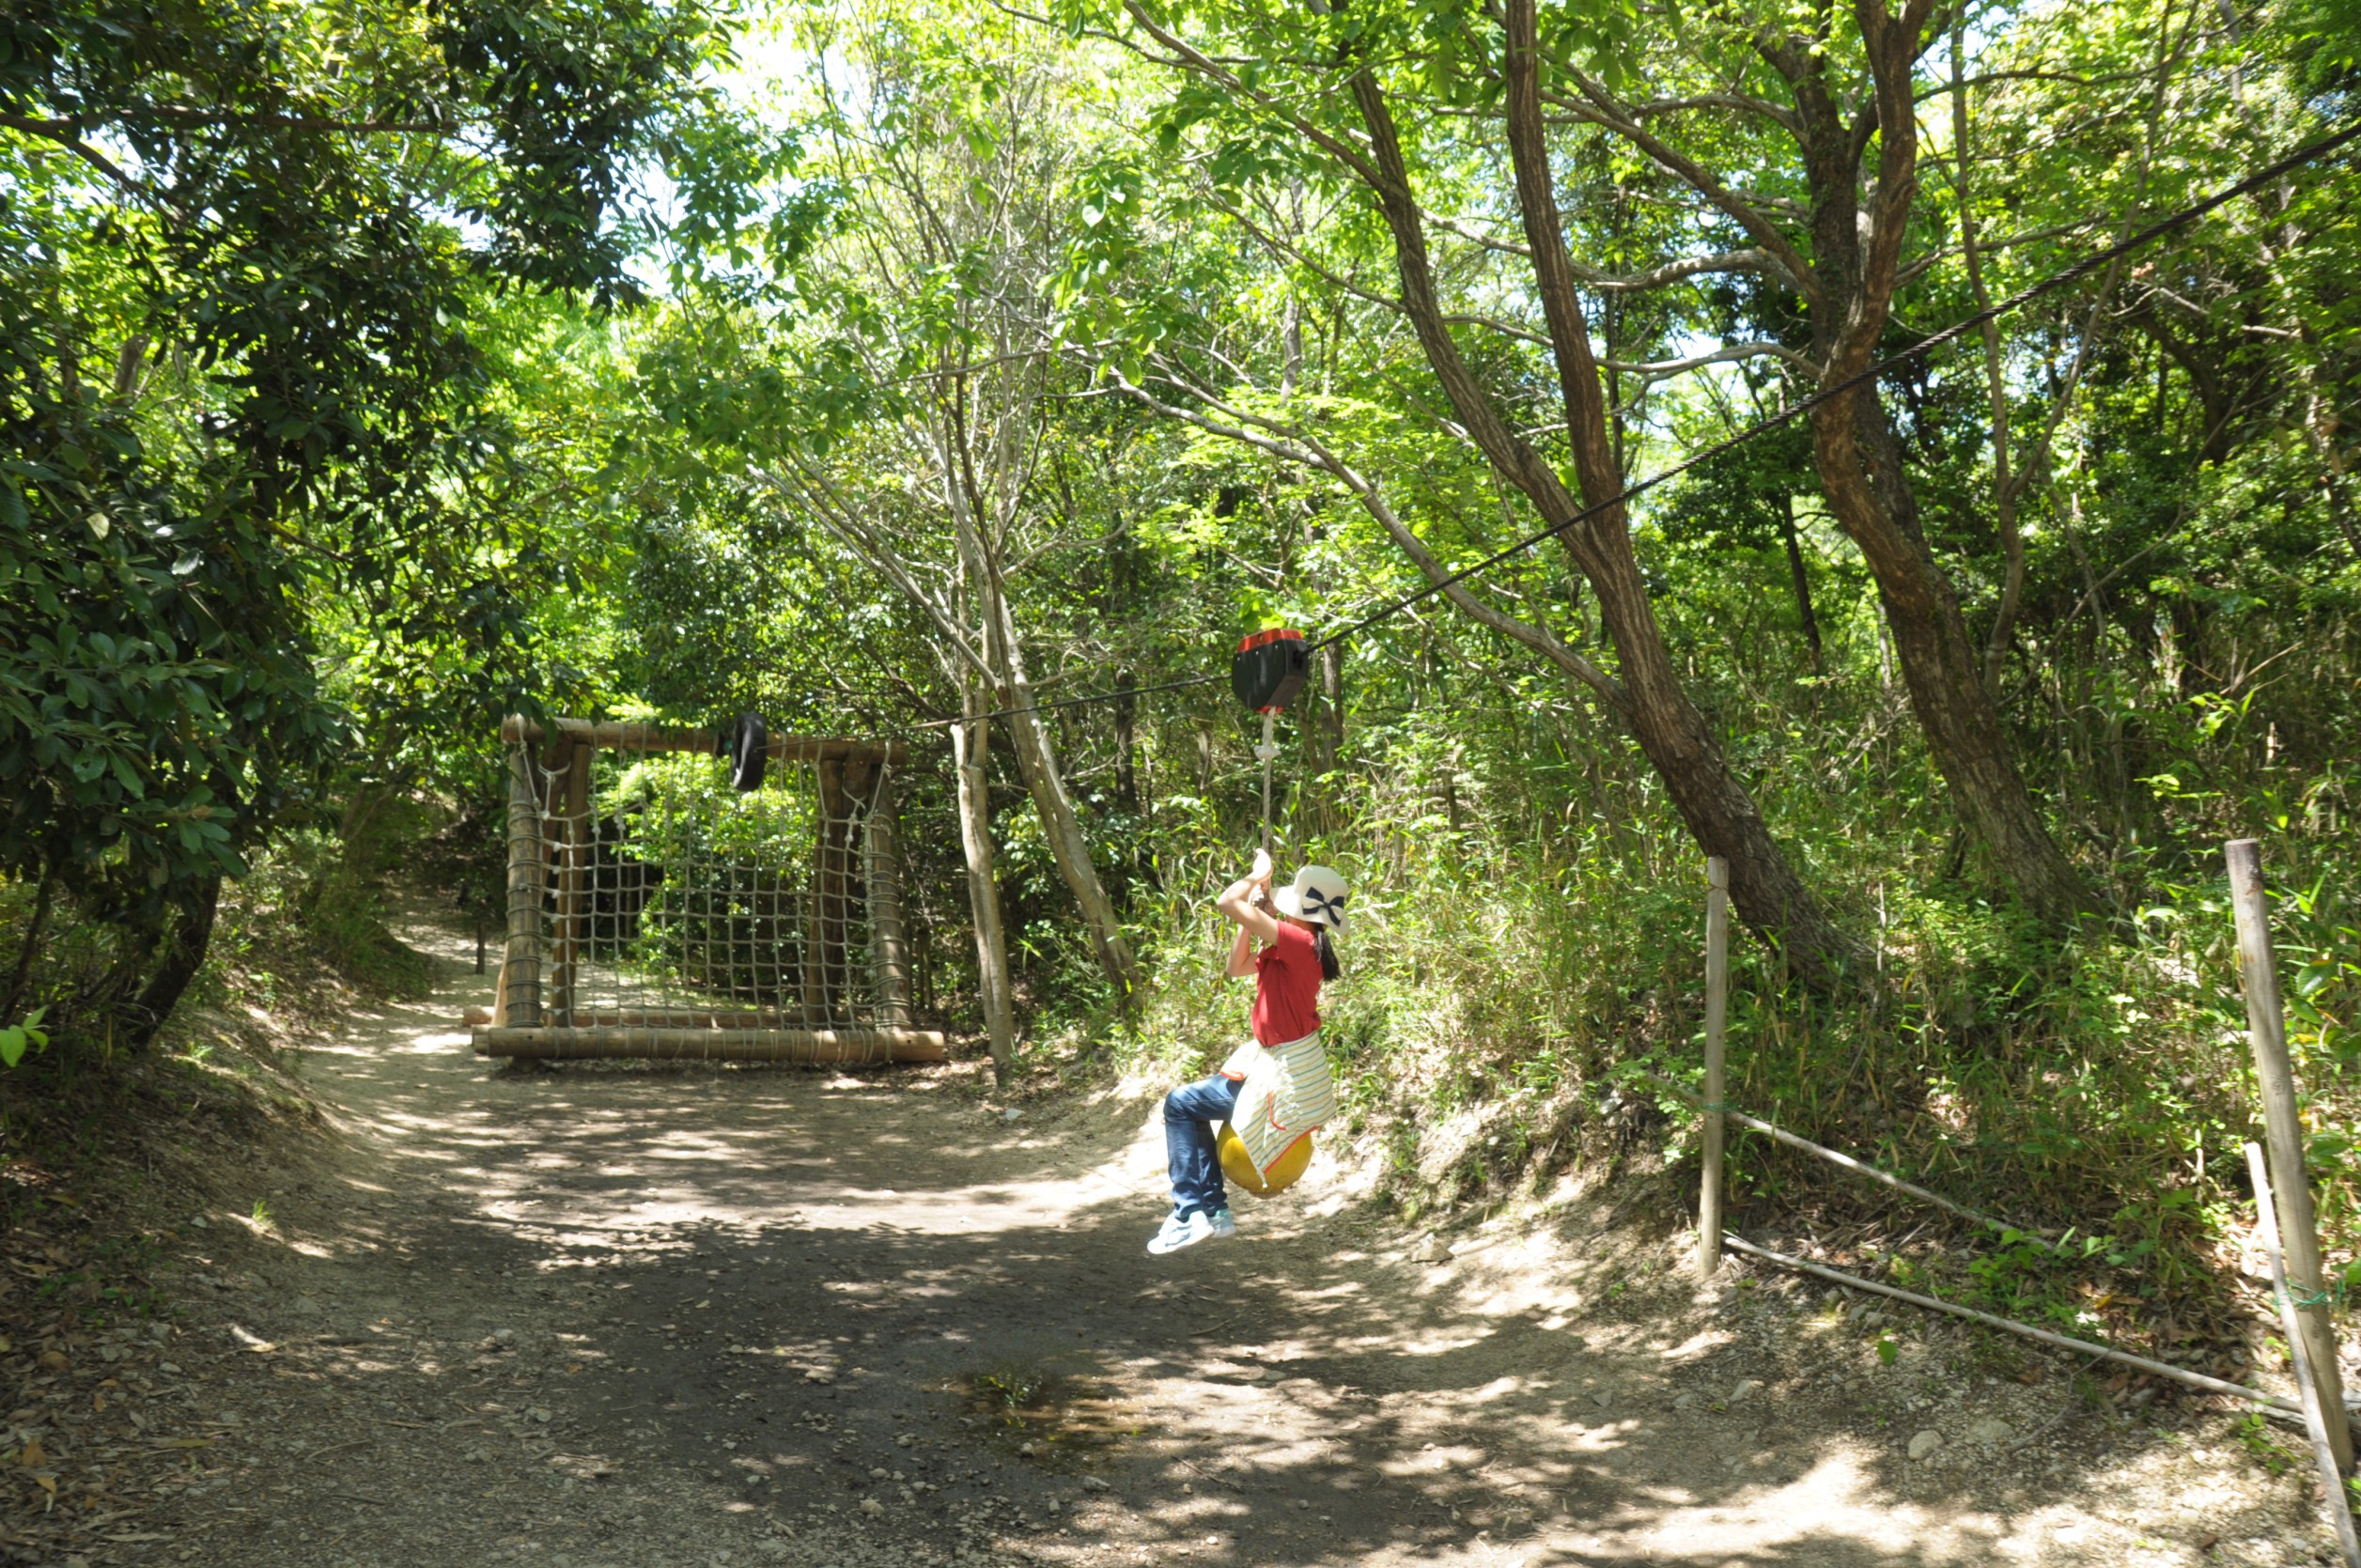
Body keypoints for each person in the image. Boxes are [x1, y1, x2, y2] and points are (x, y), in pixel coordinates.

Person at [1148, 848, 1347, 1256]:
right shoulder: (1298, 945)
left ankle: (1190, 1212)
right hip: (1272, 1066)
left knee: (1180, 1105)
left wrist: (1257, 876)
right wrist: (1255, 917)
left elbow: (1226, 902)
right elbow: (1235, 967)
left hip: (1280, 1076)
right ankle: (1213, 1211)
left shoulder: (1298, 940)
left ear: (1299, 910)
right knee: (1191, 1106)